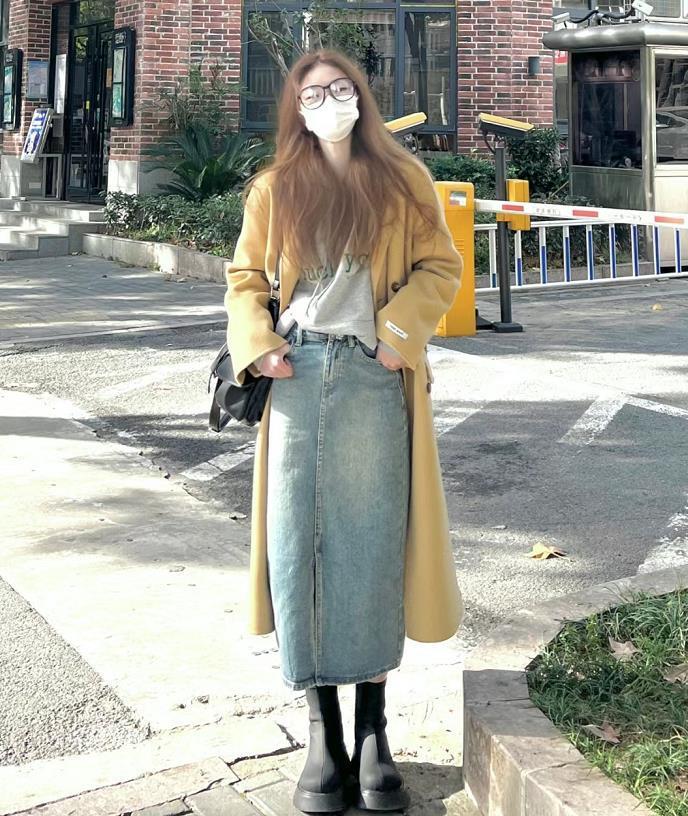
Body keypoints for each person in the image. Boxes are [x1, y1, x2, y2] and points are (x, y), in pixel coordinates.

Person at [224, 47, 465, 814]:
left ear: (361, 95)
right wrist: (258, 345)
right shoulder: (275, 188)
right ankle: (321, 734)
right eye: (312, 94)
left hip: (372, 375)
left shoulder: (402, 179)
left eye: (339, 89)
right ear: (294, 110)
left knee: (369, 548)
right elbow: (245, 279)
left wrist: (396, 335)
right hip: (297, 378)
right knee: (300, 549)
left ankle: (373, 733)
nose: (328, 102)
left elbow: (441, 266)